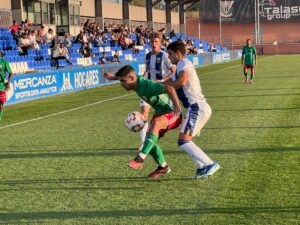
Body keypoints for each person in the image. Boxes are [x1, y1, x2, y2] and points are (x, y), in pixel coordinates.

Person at [104, 65, 182, 179]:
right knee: (148, 141)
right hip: (160, 113)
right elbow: (129, 76)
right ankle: (163, 167)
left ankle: (140, 158)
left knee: (155, 125)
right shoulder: (137, 83)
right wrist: (115, 77)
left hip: (173, 113)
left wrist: (176, 106)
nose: (122, 84)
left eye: (123, 81)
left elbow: (169, 88)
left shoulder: (147, 86)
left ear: (131, 78)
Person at [166, 41, 220, 180]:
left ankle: (209, 164)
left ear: (178, 54)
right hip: (197, 107)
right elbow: (172, 85)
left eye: (170, 53)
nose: (168, 56)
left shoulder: (183, 63)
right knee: (184, 141)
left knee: (183, 141)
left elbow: (181, 82)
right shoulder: (180, 66)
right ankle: (201, 167)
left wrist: (162, 85)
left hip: (197, 107)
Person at [139, 32, 176, 150]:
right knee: (144, 114)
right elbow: (147, 70)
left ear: (160, 42)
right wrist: (142, 78)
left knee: (161, 117)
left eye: (156, 42)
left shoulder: (165, 56)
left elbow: (173, 70)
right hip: (148, 88)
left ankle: (153, 136)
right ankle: (144, 142)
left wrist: (163, 80)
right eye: (151, 42)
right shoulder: (146, 57)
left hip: (161, 89)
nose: (153, 44)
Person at [0, 55, 13, 122]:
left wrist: (8, 82)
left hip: (1, 86)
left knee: (1, 105)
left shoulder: (4, 62)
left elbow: (11, 73)